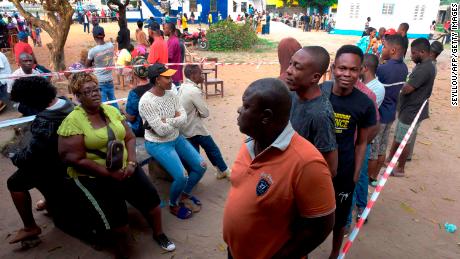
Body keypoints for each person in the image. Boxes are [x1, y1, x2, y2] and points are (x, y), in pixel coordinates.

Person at [58, 73, 175, 256]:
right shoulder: (73, 121)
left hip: (126, 169)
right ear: (78, 96)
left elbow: (129, 137)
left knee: (152, 202)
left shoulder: (111, 111)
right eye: (87, 91)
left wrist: (132, 163)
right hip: (96, 177)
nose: (94, 94)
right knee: (118, 222)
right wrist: (107, 173)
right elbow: (74, 159)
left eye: (96, 89)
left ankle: (159, 234)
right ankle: (122, 252)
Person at [223, 78, 335, 259]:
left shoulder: (307, 163)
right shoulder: (251, 142)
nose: (239, 110)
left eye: (245, 106)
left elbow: (322, 226)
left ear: (266, 117)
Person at [320, 45, 376, 259]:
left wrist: (355, 173)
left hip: (344, 170)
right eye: (342, 68)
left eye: (353, 70)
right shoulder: (320, 92)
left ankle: (334, 254)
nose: (347, 74)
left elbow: (362, 142)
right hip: (315, 167)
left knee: (340, 218)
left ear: (361, 70)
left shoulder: (364, 104)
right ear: (333, 68)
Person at [7, 77, 74, 245]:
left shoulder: (45, 122)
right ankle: (50, 202)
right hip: (69, 157)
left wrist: (13, 155)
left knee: (14, 182)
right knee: (36, 168)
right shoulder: (67, 104)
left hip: (59, 165)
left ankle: (30, 227)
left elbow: (29, 158)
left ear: (32, 101)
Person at [139, 63, 207, 220]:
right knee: (181, 176)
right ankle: (173, 204)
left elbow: (183, 119)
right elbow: (161, 131)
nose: (172, 80)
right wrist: (174, 119)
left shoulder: (171, 93)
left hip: (176, 138)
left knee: (201, 166)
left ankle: (184, 194)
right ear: (157, 80)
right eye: (167, 77)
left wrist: (166, 120)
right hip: (157, 143)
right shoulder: (146, 101)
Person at [284, 46, 338, 177]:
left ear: (315, 77)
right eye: (290, 64)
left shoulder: (320, 115)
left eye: (297, 67)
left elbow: (330, 168)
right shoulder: (292, 94)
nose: (288, 70)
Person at [387, 38, 435, 177]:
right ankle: (390, 160)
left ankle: (400, 168)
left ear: (423, 52)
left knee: (403, 141)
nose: (411, 56)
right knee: (398, 137)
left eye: (414, 53)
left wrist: (397, 85)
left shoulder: (425, 68)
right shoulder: (423, 65)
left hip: (412, 111)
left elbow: (408, 88)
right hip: (408, 109)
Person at [367, 34, 408, 186]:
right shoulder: (404, 68)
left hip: (380, 116)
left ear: (393, 50)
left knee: (372, 150)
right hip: (391, 114)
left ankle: (368, 177)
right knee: (382, 148)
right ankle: (374, 177)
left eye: (384, 47)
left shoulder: (383, 69)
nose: (382, 49)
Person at [178, 64, 231, 179]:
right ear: (193, 75)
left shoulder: (183, 87)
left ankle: (194, 176)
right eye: (200, 74)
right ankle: (223, 170)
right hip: (195, 127)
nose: (202, 76)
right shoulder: (193, 91)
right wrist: (198, 111)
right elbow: (205, 113)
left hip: (185, 128)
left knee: (194, 153)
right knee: (212, 149)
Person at [406, 40, 444, 161]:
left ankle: (406, 156)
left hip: (417, 102)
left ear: (431, 53)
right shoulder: (427, 64)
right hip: (418, 100)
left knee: (410, 130)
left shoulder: (428, 67)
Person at [85, 26, 118, 108]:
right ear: (104, 35)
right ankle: (118, 117)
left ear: (94, 36)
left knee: (103, 105)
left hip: (99, 81)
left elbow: (87, 65)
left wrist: (93, 63)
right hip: (110, 79)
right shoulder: (111, 46)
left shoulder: (93, 51)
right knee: (113, 101)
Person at [123, 56, 151, 137]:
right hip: (153, 125)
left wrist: (122, 113)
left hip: (140, 129)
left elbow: (131, 117)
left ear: (134, 73)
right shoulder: (154, 86)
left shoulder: (134, 93)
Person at [164, 22, 183, 86]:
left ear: (170, 30)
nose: (164, 30)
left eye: (165, 28)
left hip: (173, 74)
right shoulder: (172, 40)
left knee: (174, 94)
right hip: (174, 73)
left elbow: (169, 57)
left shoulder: (172, 41)